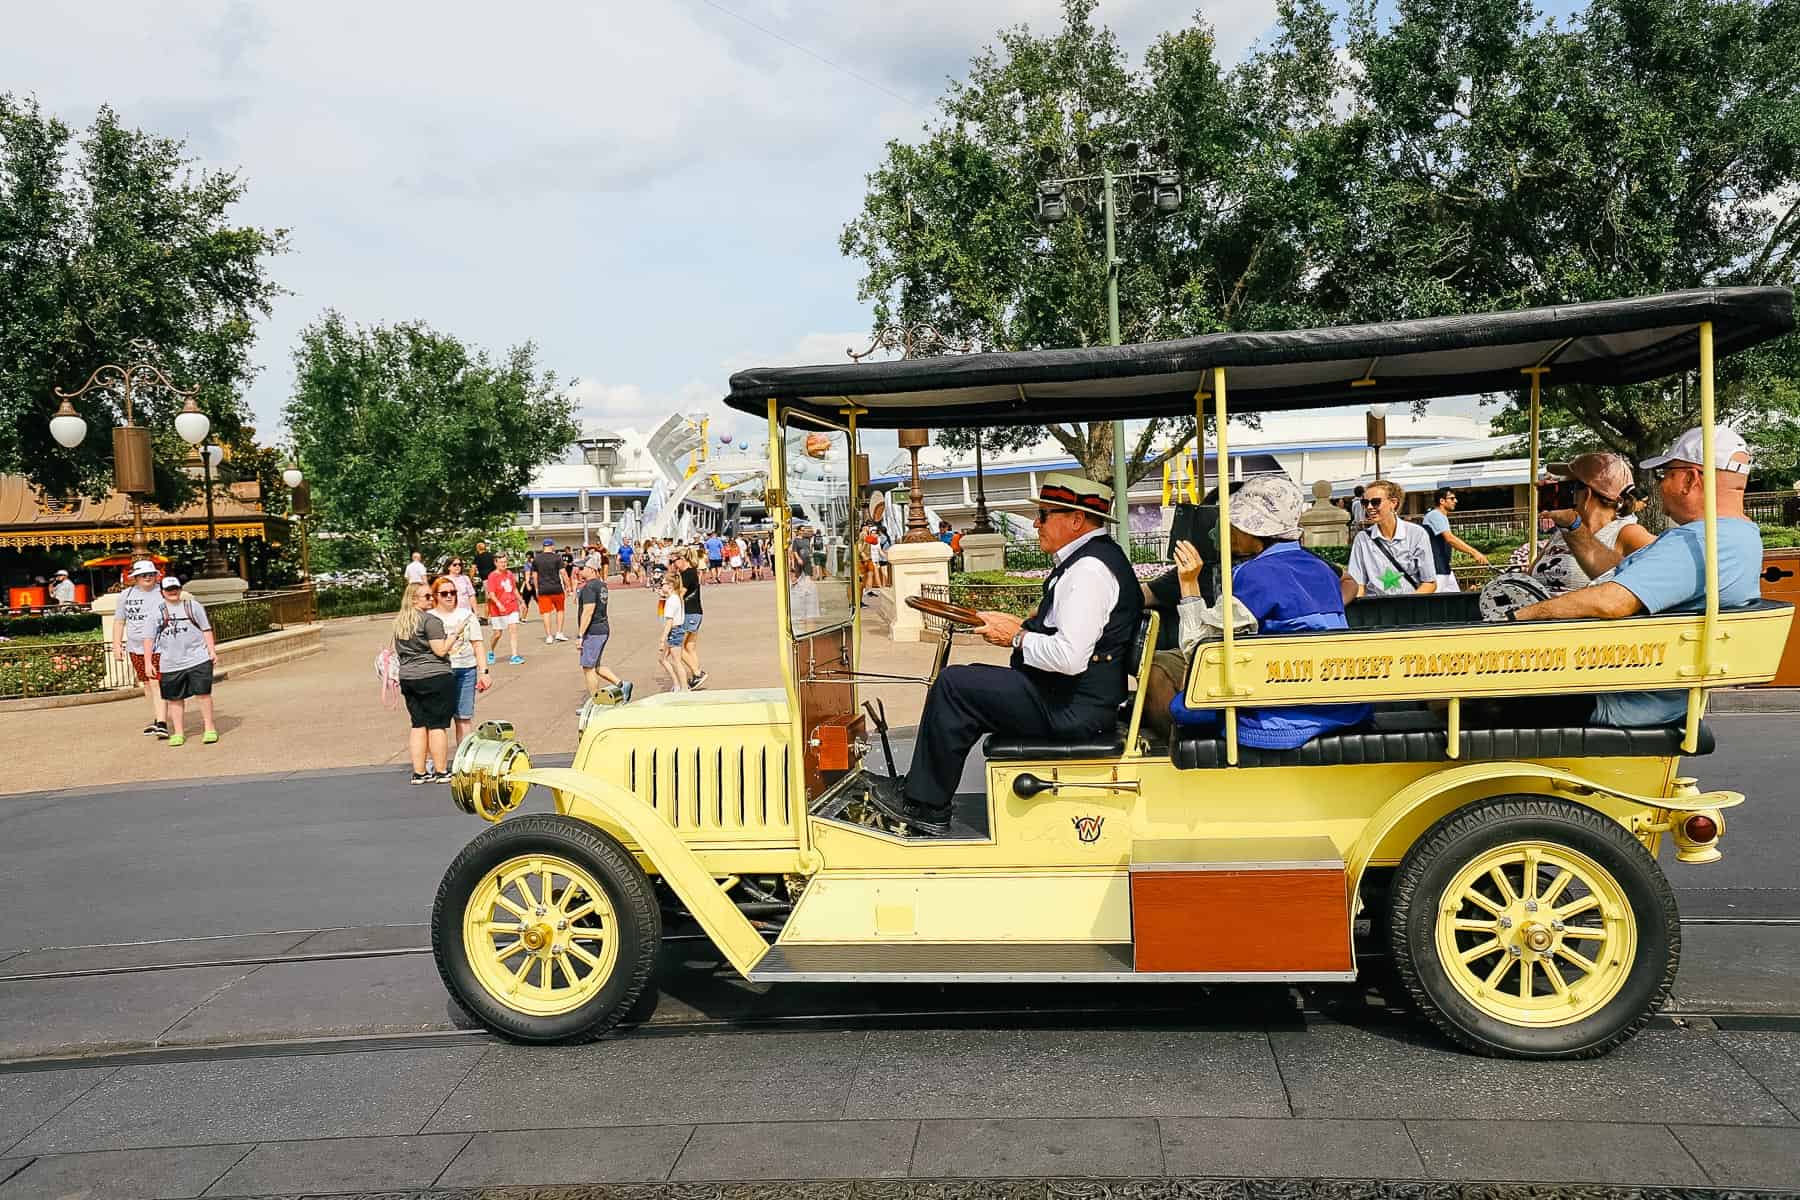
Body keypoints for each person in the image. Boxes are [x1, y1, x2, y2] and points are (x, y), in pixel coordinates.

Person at [867, 473, 1143, 838]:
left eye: (1043, 515)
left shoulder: (1089, 570)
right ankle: (923, 791)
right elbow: (1067, 637)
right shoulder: (1089, 561)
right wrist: (1017, 627)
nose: (1035, 523)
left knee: (954, 685)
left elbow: (1071, 657)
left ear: (1075, 520)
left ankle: (925, 805)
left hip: (1072, 708)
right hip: (1070, 697)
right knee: (970, 680)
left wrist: (1017, 637)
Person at [1512, 427, 1763, 726]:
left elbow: (1611, 602)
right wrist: (1574, 526)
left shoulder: (1701, 542)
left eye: (1665, 475)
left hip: (1619, 698)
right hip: (1634, 687)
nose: (1660, 486)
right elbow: (1616, 574)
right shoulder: (1733, 536)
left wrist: (1518, 617)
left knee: (1464, 703)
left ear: (1690, 479)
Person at [1141, 475, 1373, 745]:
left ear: (1258, 532)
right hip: (1341, 706)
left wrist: (1189, 584)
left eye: (1236, 524)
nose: (1230, 530)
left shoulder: (1255, 577)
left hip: (1280, 716)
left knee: (1182, 705)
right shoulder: (1319, 568)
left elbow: (1202, 652)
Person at [1508, 453, 1656, 594]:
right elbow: (1530, 579)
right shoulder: (1563, 532)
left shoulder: (1628, 533)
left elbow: (1658, 578)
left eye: (1564, 485)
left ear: (1587, 493)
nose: (1557, 488)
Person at [143, 577, 219, 747]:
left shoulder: (193, 606)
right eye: (169, 589)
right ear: (162, 592)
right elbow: (148, 638)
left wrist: (211, 650)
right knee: (174, 699)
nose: (172, 592)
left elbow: (206, 629)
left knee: (203, 694)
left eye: (175, 588)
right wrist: (148, 662)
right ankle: (178, 732)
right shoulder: (156, 612)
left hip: (197, 657)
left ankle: (209, 727)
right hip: (170, 662)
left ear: (180, 589)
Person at [393, 581, 454, 783]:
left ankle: (419, 772)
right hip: (433, 675)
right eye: (427, 596)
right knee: (437, 725)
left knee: (418, 724)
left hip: (409, 677)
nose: (432, 599)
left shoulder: (400, 623)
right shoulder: (430, 621)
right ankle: (441, 770)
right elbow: (440, 650)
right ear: (414, 599)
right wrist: (454, 636)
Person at [1343, 480, 1438, 601]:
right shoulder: (1362, 539)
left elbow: (1429, 583)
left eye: (1375, 502)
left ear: (1393, 503)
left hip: (1410, 610)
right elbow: (1358, 585)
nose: (1369, 507)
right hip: (1376, 612)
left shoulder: (1417, 534)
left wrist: (1407, 606)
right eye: (1365, 503)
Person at [111, 560, 168, 738]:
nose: (148, 577)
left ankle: (162, 723)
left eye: (151, 574)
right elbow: (119, 621)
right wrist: (116, 644)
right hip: (135, 647)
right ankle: (159, 716)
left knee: (155, 682)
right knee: (147, 685)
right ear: (135, 577)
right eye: (144, 575)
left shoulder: (163, 592)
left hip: (159, 645)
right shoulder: (126, 595)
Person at [433, 572, 488, 746]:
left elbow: (478, 644)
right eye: (444, 593)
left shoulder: (467, 615)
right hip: (441, 672)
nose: (449, 596)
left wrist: (484, 672)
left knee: (463, 718)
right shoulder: (430, 617)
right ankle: (433, 763)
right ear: (436, 596)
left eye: (453, 592)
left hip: (466, 669)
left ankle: (463, 760)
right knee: (437, 722)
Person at [576, 557, 631, 708]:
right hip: (602, 628)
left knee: (588, 667)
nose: (579, 571)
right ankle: (622, 684)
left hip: (593, 631)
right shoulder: (601, 585)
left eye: (582, 568)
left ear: (591, 569)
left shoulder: (589, 588)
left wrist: (580, 635)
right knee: (596, 665)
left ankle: (595, 702)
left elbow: (588, 612)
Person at [1420, 488, 1491, 592]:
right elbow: (1450, 539)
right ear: (1442, 501)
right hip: (1437, 570)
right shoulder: (1436, 515)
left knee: (1456, 602)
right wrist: (1475, 553)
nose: (1455, 501)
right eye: (1452, 498)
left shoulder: (1439, 516)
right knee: (1431, 604)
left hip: (1444, 569)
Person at [483, 551, 525, 665]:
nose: (504, 564)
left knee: (513, 630)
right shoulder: (492, 576)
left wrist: (521, 601)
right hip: (498, 609)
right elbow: (491, 594)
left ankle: (514, 655)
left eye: (505, 562)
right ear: (495, 563)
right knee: (497, 633)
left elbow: (514, 589)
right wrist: (498, 604)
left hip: (511, 605)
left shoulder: (510, 574)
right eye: (501, 562)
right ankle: (491, 651)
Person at [676, 546, 707, 689]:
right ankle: (696, 675)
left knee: (677, 646)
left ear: (683, 560)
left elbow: (680, 595)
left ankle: (697, 672)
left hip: (690, 613)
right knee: (689, 646)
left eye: (675, 560)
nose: (674, 564)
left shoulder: (688, 574)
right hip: (695, 612)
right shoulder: (690, 572)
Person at [531, 538, 570, 644]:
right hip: (556, 588)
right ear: (552, 546)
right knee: (560, 610)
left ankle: (549, 636)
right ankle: (559, 633)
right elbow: (563, 573)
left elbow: (534, 576)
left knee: (546, 613)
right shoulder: (557, 558)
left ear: (543, 547)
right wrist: (568, 586)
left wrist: (537, 588)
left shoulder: (536, 559)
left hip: (543, 589)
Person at [657, 572, 688, 692]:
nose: (661, 586)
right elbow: (661, 615)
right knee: (662, 659)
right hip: (676, 631)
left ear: (670, 585)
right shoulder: (674, 598)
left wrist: (662, 639)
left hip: (674, 631)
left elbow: (668, 622)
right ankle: (676, 684)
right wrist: (662, 597)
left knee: (677, 661)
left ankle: (684, 687)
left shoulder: (672, 601)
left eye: (663, 584)